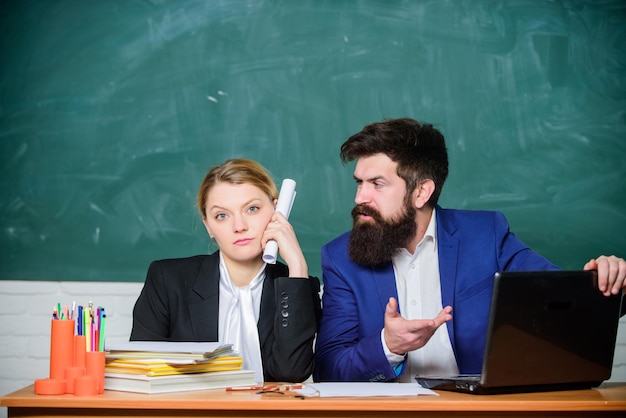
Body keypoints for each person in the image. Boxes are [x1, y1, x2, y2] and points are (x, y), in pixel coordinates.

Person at [314, 118, 626, 383]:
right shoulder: (341, 257)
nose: (360, 197)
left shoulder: (486, 235)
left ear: (421, 191)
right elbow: (328, 370)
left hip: (479, 411)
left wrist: (606, 281)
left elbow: (560, 304)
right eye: (359, 182)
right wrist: (388, 345)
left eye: (377, 184)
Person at [131, 158, 321, 383]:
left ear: (277, 212)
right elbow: (143, 370)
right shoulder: (166, 279)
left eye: (252, 209)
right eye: (222, 215)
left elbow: (291, 373)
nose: (239, 226)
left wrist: (297, 266)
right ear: (208, 226)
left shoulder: (297, 285)